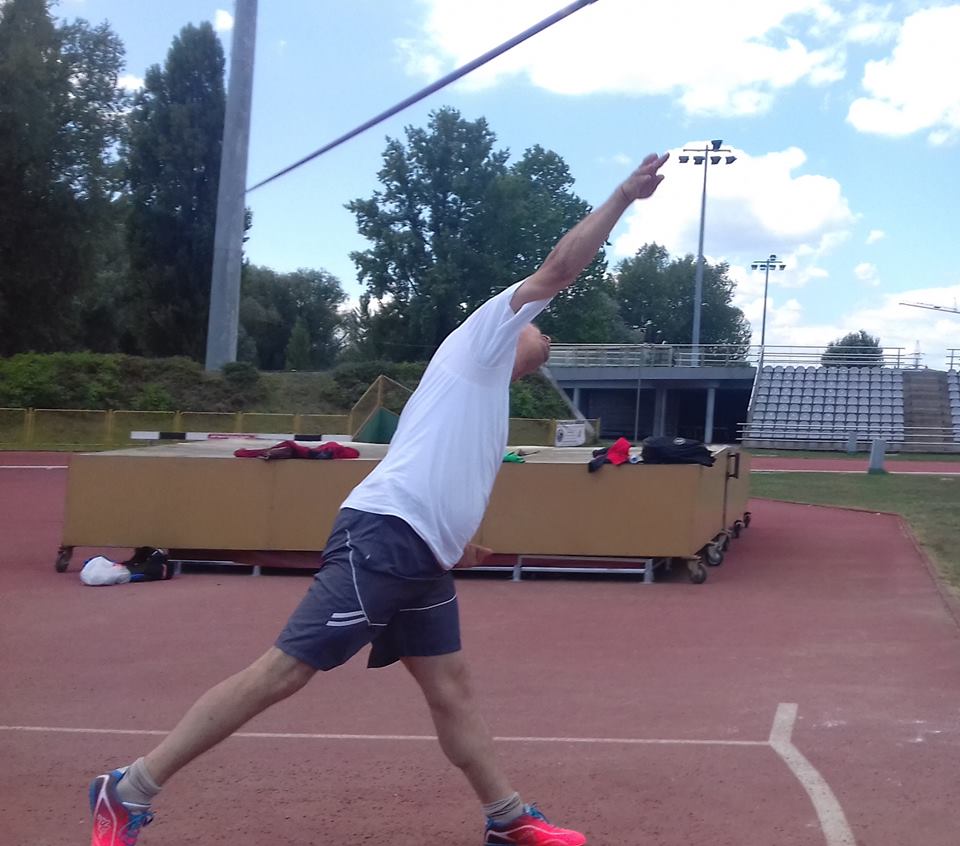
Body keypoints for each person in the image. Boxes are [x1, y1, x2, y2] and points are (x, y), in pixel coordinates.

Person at [88, 151, 669, 846]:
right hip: (386, 537)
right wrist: (622, 197)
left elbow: (436, 470)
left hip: (419, 552)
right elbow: (559, 270)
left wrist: (459, 543)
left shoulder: (478, 393)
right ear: (514, 328)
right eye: (543, 326)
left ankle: (507, 817)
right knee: (283, 671)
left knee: (450, 688)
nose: (547, 332)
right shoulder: (483, 335)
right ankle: (127, 789)